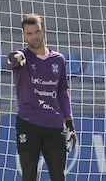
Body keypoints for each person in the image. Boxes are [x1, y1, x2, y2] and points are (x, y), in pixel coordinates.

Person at [8, 13, 77, 181]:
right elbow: (12, 61)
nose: (34, 37)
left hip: (53, 125)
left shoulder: (58, 59)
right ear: (24, 35)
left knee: (58, 176)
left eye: (37, 32)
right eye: (29, 33)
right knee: (29, 176)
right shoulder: (22, 57)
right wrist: (14, 58)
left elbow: (62, 91)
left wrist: (70, 123)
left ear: (43, 31)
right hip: (28, 124)